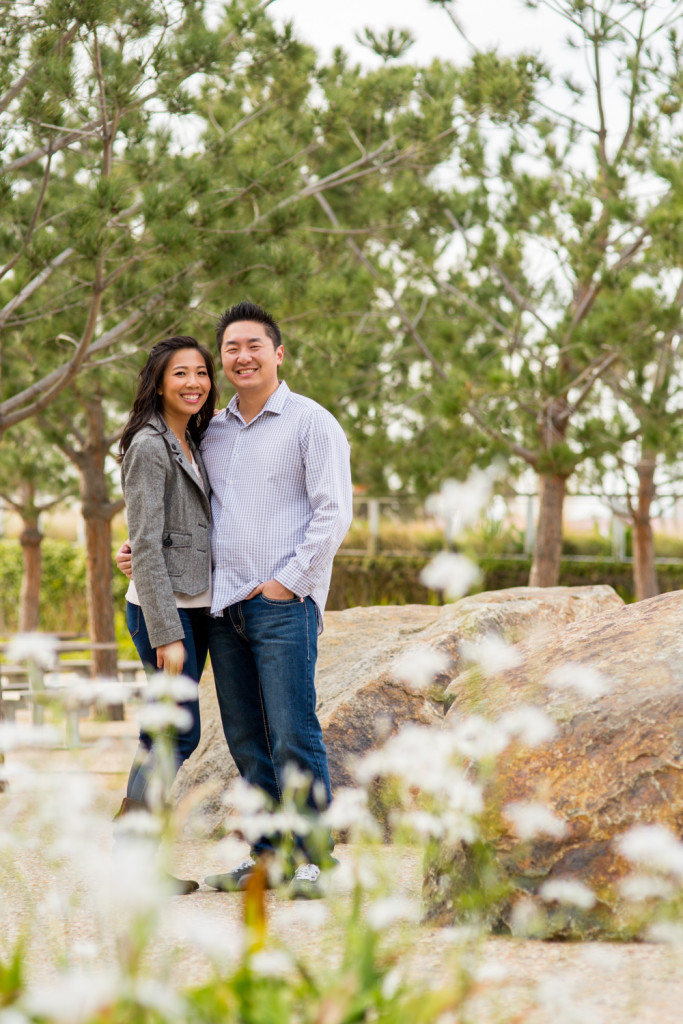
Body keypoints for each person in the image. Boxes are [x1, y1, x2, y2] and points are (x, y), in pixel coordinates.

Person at [200, 301, 353, 898]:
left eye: (254, 345)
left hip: (282, 603)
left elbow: (333, 514)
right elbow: (194, 511)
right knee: (244, 737)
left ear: (278, 353)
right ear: (223, 358)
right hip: (221, 606)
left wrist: (288, 583)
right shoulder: (209, 432)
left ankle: (317, 858)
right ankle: (267, 856)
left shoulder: (312, 422)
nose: (242, 356)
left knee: (292, 730)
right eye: (231, 347)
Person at [114, 334, 218, 894]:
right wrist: (166, 632)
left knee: (166, 732)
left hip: (195, 606)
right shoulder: (150, 445)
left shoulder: (192, 438)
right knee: (171, 735)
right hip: (166, 613)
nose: (194, 383)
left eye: (201, 373)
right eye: (181, 373)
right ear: (158, 381)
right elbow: (147, 544)